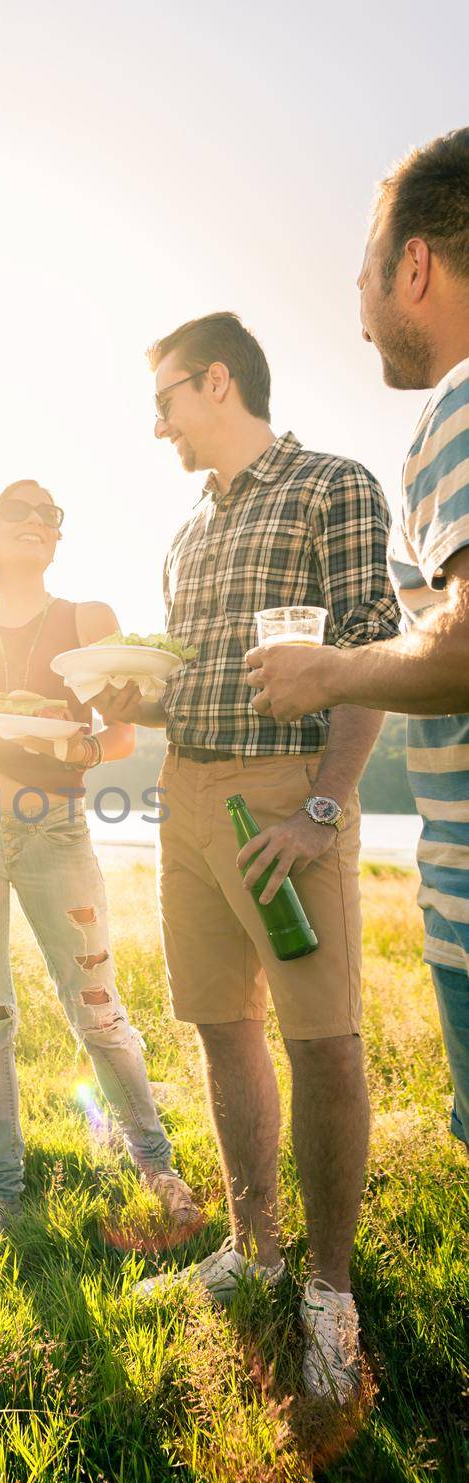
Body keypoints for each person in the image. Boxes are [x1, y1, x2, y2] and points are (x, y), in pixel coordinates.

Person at [93, 314, 400, 1402]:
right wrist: (138, 692)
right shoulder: (184, 531)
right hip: (187, 796)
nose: (159, 423)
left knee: (321, 1041)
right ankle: (252, 1247)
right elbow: (193, 676)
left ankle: (325, 1291)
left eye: (166, 398)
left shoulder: (331, 484)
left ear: (216, 382)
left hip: (284, 798)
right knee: (221, 1030)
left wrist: (321, 808)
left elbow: (366, 650)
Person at [246, 127, 469, 1165]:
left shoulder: (456, 409)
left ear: (412, 265)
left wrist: (326, 668)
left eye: (362, 278)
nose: (360, 314)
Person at [0, 479, 199, 1239]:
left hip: (54, 831)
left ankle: (157, 1168)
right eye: (21, 511)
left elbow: (122, 733)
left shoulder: (86, 619)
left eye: (50, 515)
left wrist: (77, 744)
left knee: (97, 1010)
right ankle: (0, 1192)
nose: (39, 523)